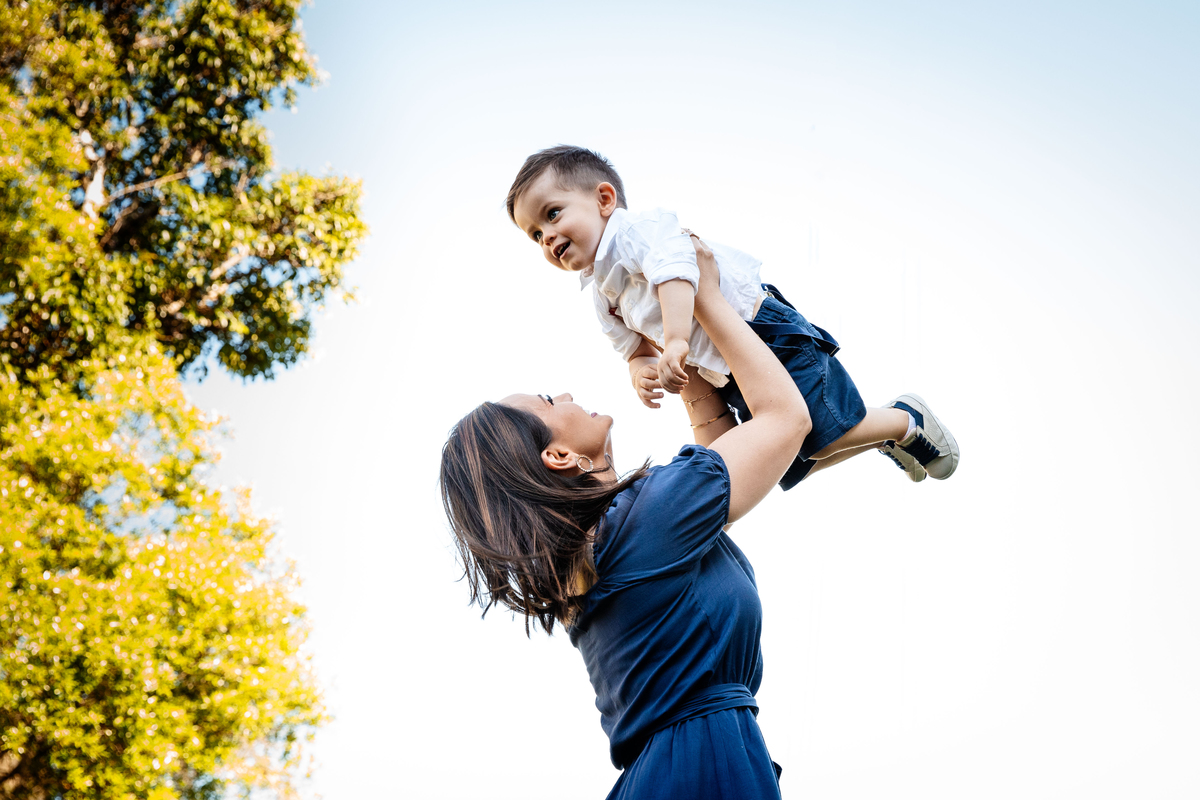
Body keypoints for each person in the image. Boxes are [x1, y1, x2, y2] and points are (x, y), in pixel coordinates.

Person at [440, 238, 809, 798]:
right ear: (558, 456)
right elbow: (784, 419)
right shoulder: (647, 523)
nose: (563, 392)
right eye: (546, 400)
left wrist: (676, 353)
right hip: (704, 763)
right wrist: (707, 299)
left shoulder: (607, 549)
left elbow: (715, 471)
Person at [507, 145, 959, 485]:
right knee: (790, 454)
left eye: (552, 214)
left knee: (821, 429)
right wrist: (641, 370)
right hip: (726, 369)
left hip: (759, 330)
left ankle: (902, 421)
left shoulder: (637, 233)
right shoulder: (600, 293)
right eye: (535, 234)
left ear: (604, 199)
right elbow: (631, 348)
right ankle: (880, 433)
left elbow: (678, 272)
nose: (547, 236)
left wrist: (679, 339)